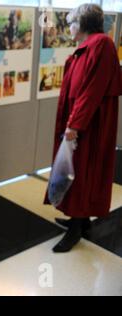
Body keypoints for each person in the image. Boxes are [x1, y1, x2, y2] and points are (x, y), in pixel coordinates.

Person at [44, 4, 122, 252]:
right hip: (83, 120)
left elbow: (91, 91)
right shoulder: (89, 46)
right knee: (78, 169)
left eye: (72, 23)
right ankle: (81, 219)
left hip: (90, 124)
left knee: (81, 170)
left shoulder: (101, 45)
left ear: (83, 23)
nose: (69, 28)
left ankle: (76, 229)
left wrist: (75, 124)